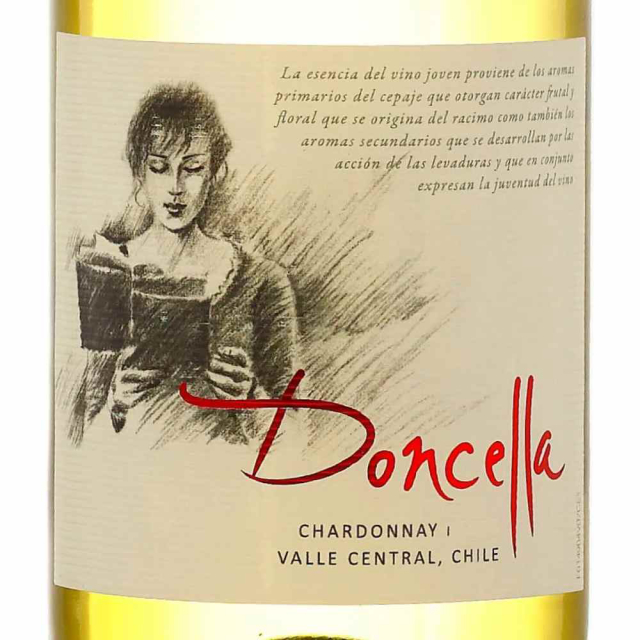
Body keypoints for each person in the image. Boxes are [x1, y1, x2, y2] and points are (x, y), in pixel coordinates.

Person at [74, 82, 299, 446]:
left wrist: (252, 398)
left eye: (191, 168)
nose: (175, 187)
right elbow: (75, 443)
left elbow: (297, 442)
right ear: (139, 175)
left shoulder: (262, 281)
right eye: (159, 168)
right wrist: (117, 402)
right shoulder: (108, 273)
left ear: (214, 173)